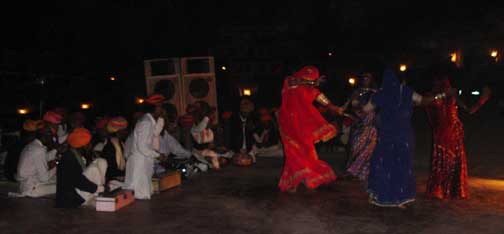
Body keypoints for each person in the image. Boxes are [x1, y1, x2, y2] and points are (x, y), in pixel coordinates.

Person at [366, 69, 455, 208]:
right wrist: (443, 95)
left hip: (386, 136)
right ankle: (401, 198)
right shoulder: (406, 91)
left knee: (384, 163)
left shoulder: (381, 94)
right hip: (404, 135)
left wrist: (358, 104)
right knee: (402, 164)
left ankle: (381, 196)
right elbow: (424, 101)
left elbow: (366, 109)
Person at [277, 65, 343, 193]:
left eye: (313, 79)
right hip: (288, 125)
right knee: (292, 152)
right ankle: (293, 182)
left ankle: (305, 178)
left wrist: (335, 108)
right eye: (309, 79)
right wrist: (311, 82)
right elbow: (295, 81)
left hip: (304, 127)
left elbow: (325, 101)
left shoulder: (311, 90)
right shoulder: (291, 82)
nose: (311, 82)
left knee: (308, 152)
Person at [425, 77, 491, 200]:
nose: (449, 87)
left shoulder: (452, 96)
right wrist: (444, 94)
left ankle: (454, 191)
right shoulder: (433, 96)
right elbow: (426, 102)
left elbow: (469, 109)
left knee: (455, 163)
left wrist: (481, 100)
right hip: (442, 135)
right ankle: (439, 190)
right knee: (442, 162)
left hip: (454, 133)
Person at [124, 94, 167, 200]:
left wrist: (161, 118)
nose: (162, 109)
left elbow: (156, 133)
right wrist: (157, 155)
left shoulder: (149, 121)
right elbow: (142, 146)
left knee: (144, 194)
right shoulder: (146, 122)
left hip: (144, 162)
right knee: (141, 196)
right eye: (160, 107)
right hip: (140, 164)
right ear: (155, 108)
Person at [56, 128, 107, 208]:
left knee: (98, 163)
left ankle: (97, 193)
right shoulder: (69, 158)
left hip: (77, 193)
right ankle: (98, 192)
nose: (91, 146)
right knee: (98, 164)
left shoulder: (76, 155)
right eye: (89, 143)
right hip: (70, 198)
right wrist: (100, 188)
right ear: (83, 145)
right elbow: (78, 181)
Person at [344, 73, 378, 181]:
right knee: (355, 147)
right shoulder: (356, 92)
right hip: (358, 123)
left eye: (368, 78)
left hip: (369, 124)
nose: (365, 79)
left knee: (368, 148)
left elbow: (376, 107)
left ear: (371, 80)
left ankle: (364, 172)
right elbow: (349, 104)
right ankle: (352, 171)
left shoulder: (375, 93)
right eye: (364, 77)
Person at [16, 126, 58, 197]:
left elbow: (44, 158)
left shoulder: (31, 145)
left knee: (57, 179)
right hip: (32, 188)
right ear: (45, 137)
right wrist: (57, 167)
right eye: (51, 137)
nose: (52, 139)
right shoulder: (39, 150)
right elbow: (44, 178)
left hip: (26, 184)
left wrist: (56, 150)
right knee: (63, 185)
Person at [101, 117, 128, 182]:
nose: (126, 132)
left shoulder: (121, 144)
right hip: (113, 181)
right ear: (117, 131)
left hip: (119, 179)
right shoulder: (110, 146)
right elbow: (111, 170)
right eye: (124, 130)